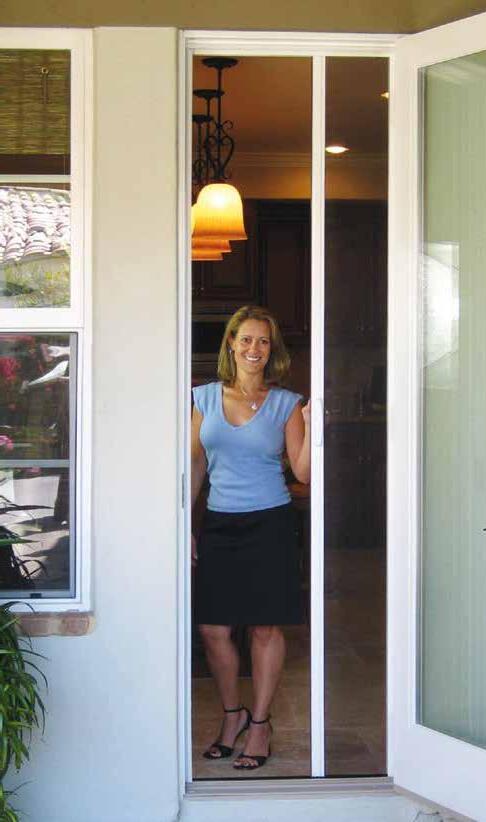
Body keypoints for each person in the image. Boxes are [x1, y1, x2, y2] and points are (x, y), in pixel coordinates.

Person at [191, 305, 310, 771]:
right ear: (232, 344)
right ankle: (232, 714)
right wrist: (186, 526)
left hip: (271, 523)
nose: (254, 349)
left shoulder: (286, 404)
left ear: (271, 348)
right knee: (213, 629)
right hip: (220, 523)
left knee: (264, 627)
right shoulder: (203, 398)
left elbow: (302, 472)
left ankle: (259, 724)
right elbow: (195, 466)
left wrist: (314, 428)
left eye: (263, 341)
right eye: (246, 339)